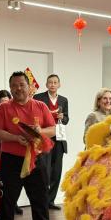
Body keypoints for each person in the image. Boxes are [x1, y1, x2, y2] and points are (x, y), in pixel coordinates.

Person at [0, 71, 57, 220]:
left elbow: (52, 129)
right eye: (14, 85)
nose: (18, 88)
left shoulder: (41, 106)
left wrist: (39, 131)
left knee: (40, 197)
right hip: (11, 160)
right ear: (10, 88)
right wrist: (14, 138)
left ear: (29, 87)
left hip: (37, 157)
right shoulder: (4, 108)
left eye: (21, 84)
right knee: (7, 199)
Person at [34, 74, 69, 210]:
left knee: (56, 170)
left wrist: (63, 117)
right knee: (44, 169)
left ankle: (50, 200)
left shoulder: (64, 100)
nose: (53, 84)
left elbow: (66, 119)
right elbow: (34, 117)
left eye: (55, 82)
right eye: (50, 82)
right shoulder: (39, 98)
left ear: (59, 85)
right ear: (46, 84)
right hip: (44, 136)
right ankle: (42, 199)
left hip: (59, 138)